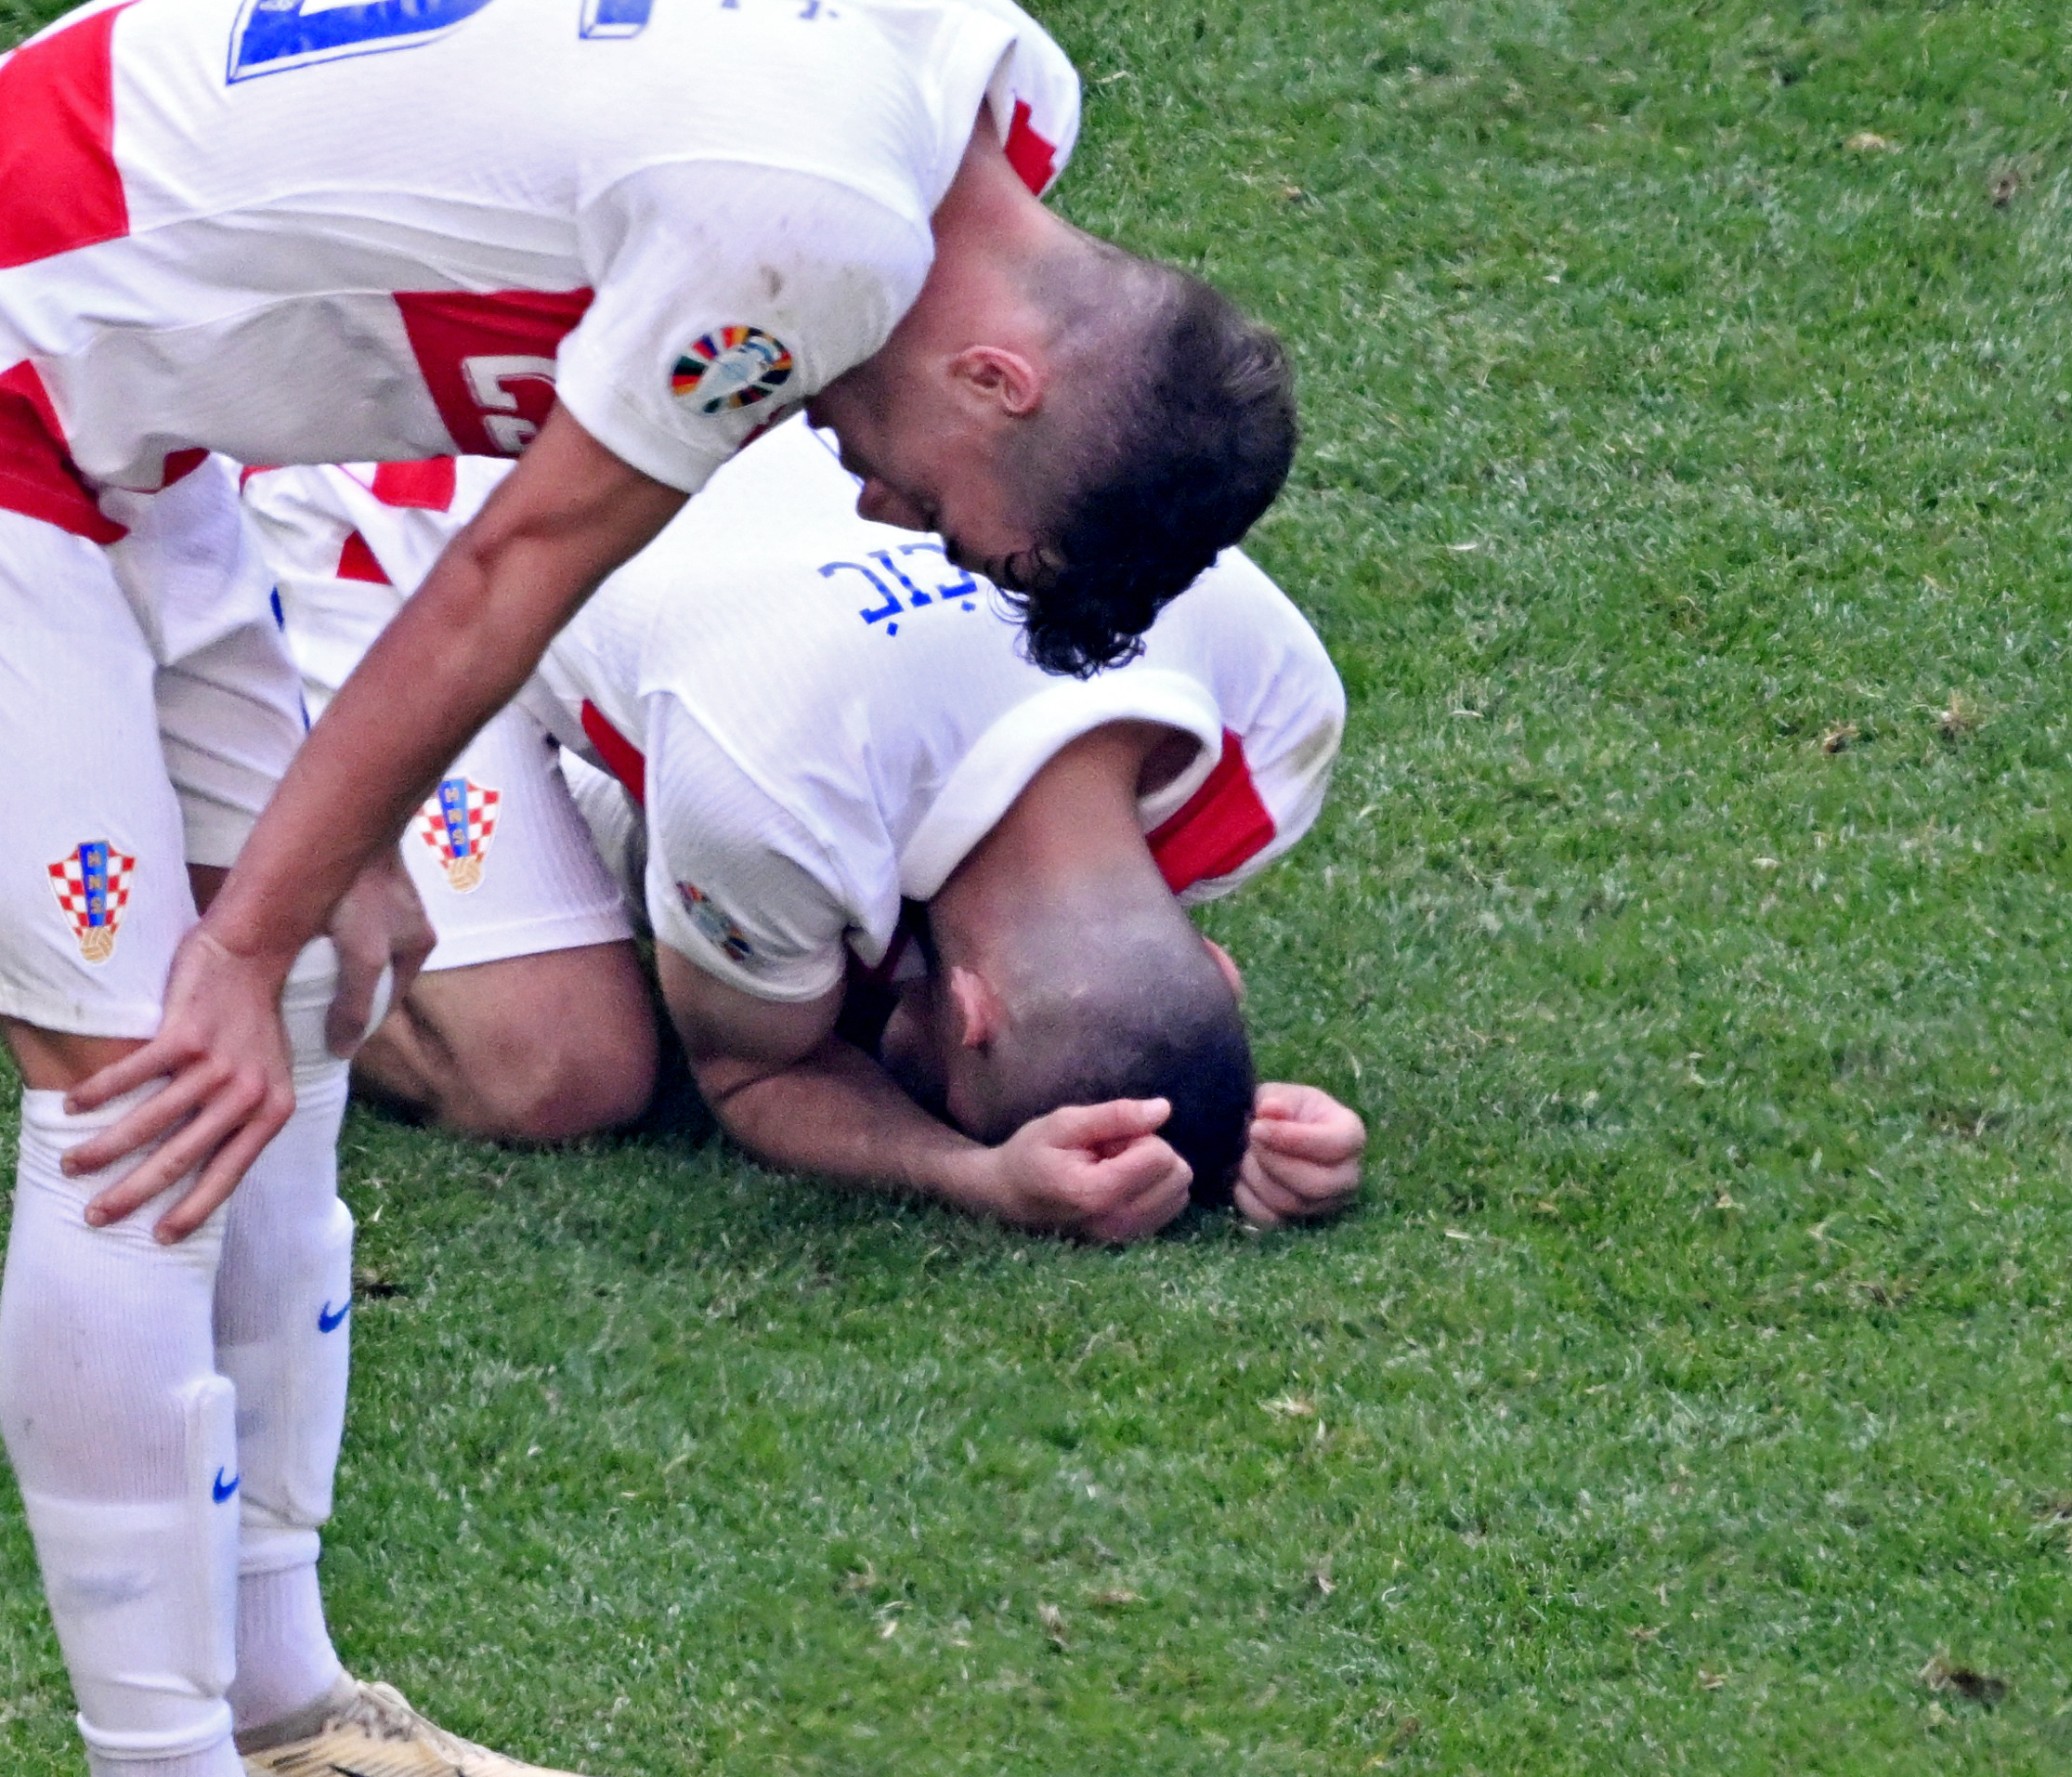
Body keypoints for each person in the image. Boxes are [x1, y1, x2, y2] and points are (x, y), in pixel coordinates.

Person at [0, 0, 1290, 1777]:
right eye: (952, 512)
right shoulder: (809, 236)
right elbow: (510, 566)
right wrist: (255, 918)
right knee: (138, 1079)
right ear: (1001, 376)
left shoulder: (978, 79)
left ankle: (276, 1696)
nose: (889, 515)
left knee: (305, 1005)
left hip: (105, 382)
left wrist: (301, 902)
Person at [240, 427, 1368, 1234]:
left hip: (669, 473)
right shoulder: (774, 787)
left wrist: (1225, 1126)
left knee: (808, 947)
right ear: (969, 1011)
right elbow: (752, 1071)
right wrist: (971, 1174)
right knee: (550, 1069)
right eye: (937, 1068)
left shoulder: (1278, 704)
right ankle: (221, 779)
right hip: (396, 516)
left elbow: (1085, 973)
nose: (910, 1060)